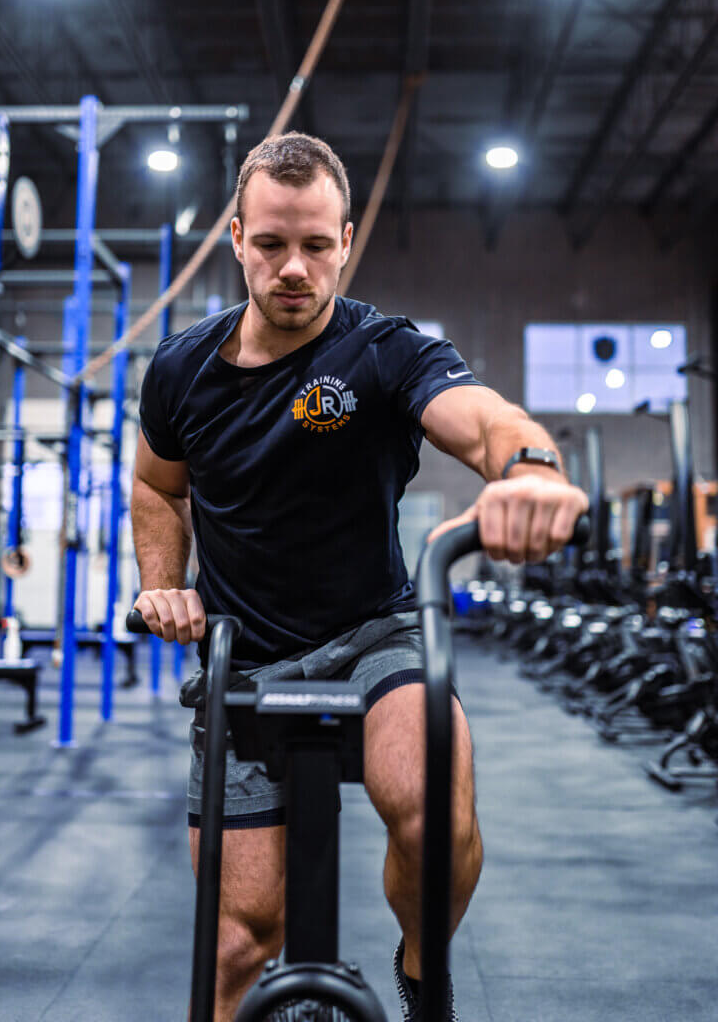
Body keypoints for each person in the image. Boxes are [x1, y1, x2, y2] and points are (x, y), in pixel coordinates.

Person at [131, 132, 588, 1022]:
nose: (293, 267)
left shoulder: (385, 351)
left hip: (378, 635)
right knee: (234, 945)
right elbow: (156, 484)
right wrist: (166, 580)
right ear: (236, 239)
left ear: (345, 240)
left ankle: (422, 975)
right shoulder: (181, 368)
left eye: (315, 244)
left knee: (432, 800)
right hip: (245, 652)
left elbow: (484, 418)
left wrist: (531, 467)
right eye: (271, 243)